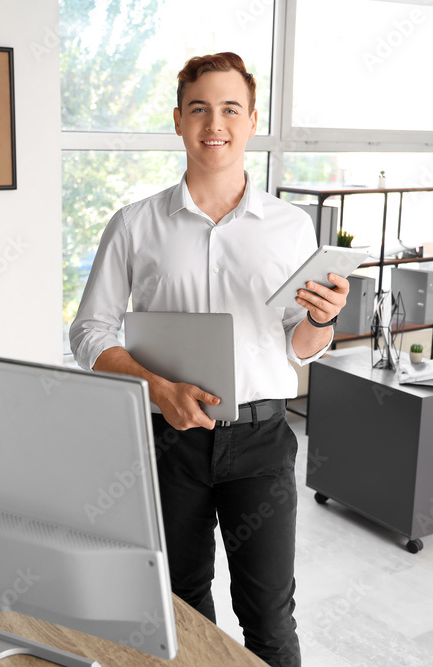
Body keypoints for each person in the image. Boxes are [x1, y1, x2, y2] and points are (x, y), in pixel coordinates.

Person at [69, 52, 348, 667]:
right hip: (169, 442)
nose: (213, 123)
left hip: (261, 443)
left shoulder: (292, 227)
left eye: (229, 109)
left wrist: (323, 320)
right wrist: (156, 387)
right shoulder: (135, 225)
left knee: (270, 616)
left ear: (251, 120)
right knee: (180, 605)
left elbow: (296, 343)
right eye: (199, 109)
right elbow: (88, 332)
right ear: (178, 121)